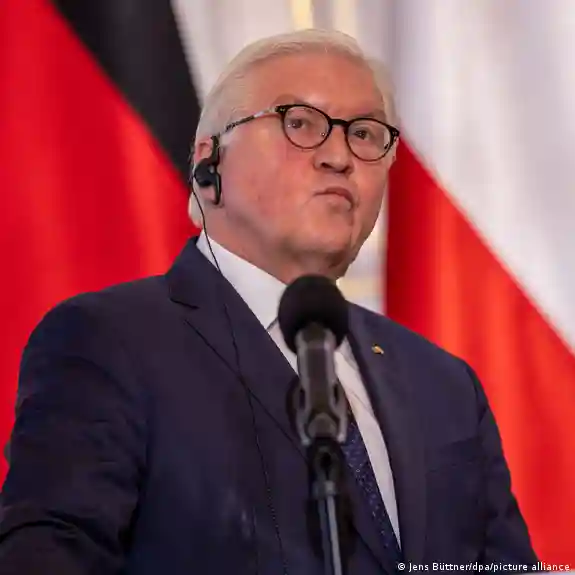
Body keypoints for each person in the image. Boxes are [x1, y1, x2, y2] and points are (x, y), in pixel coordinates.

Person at [0, 28, 537, 574]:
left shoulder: (444, 385)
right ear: (209, 166)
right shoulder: (110, 342)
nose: (339, 156)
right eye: (299, 123)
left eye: (365, 134)